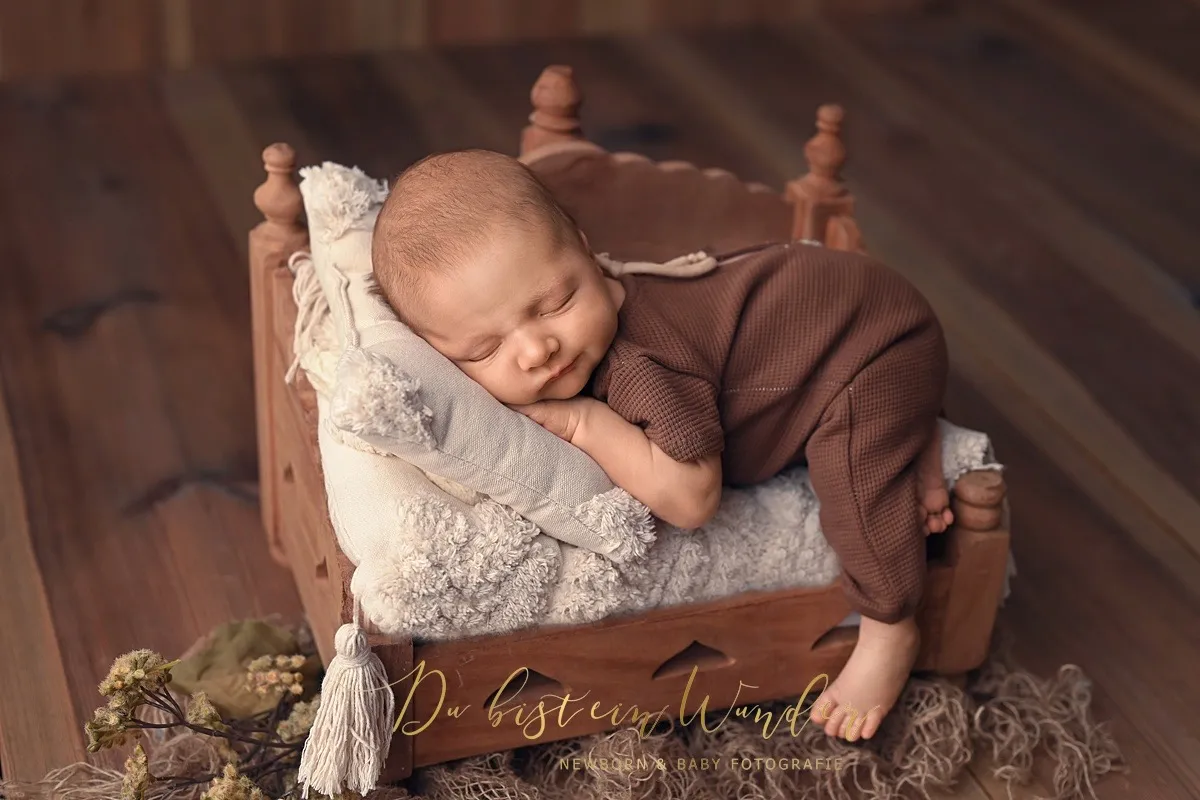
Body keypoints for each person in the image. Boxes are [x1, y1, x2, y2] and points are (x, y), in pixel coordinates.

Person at [371, 149, 954, 742]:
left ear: (585, 248)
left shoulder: (641, 367)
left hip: (877, 344)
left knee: (856, 478)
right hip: (828, 326)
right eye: (482, 351)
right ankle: (915, 431)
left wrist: (585, 427)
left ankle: (893, 625)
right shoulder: (569, 339)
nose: (536, 349)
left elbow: (694, 498)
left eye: (555, 303)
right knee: (850, 420)